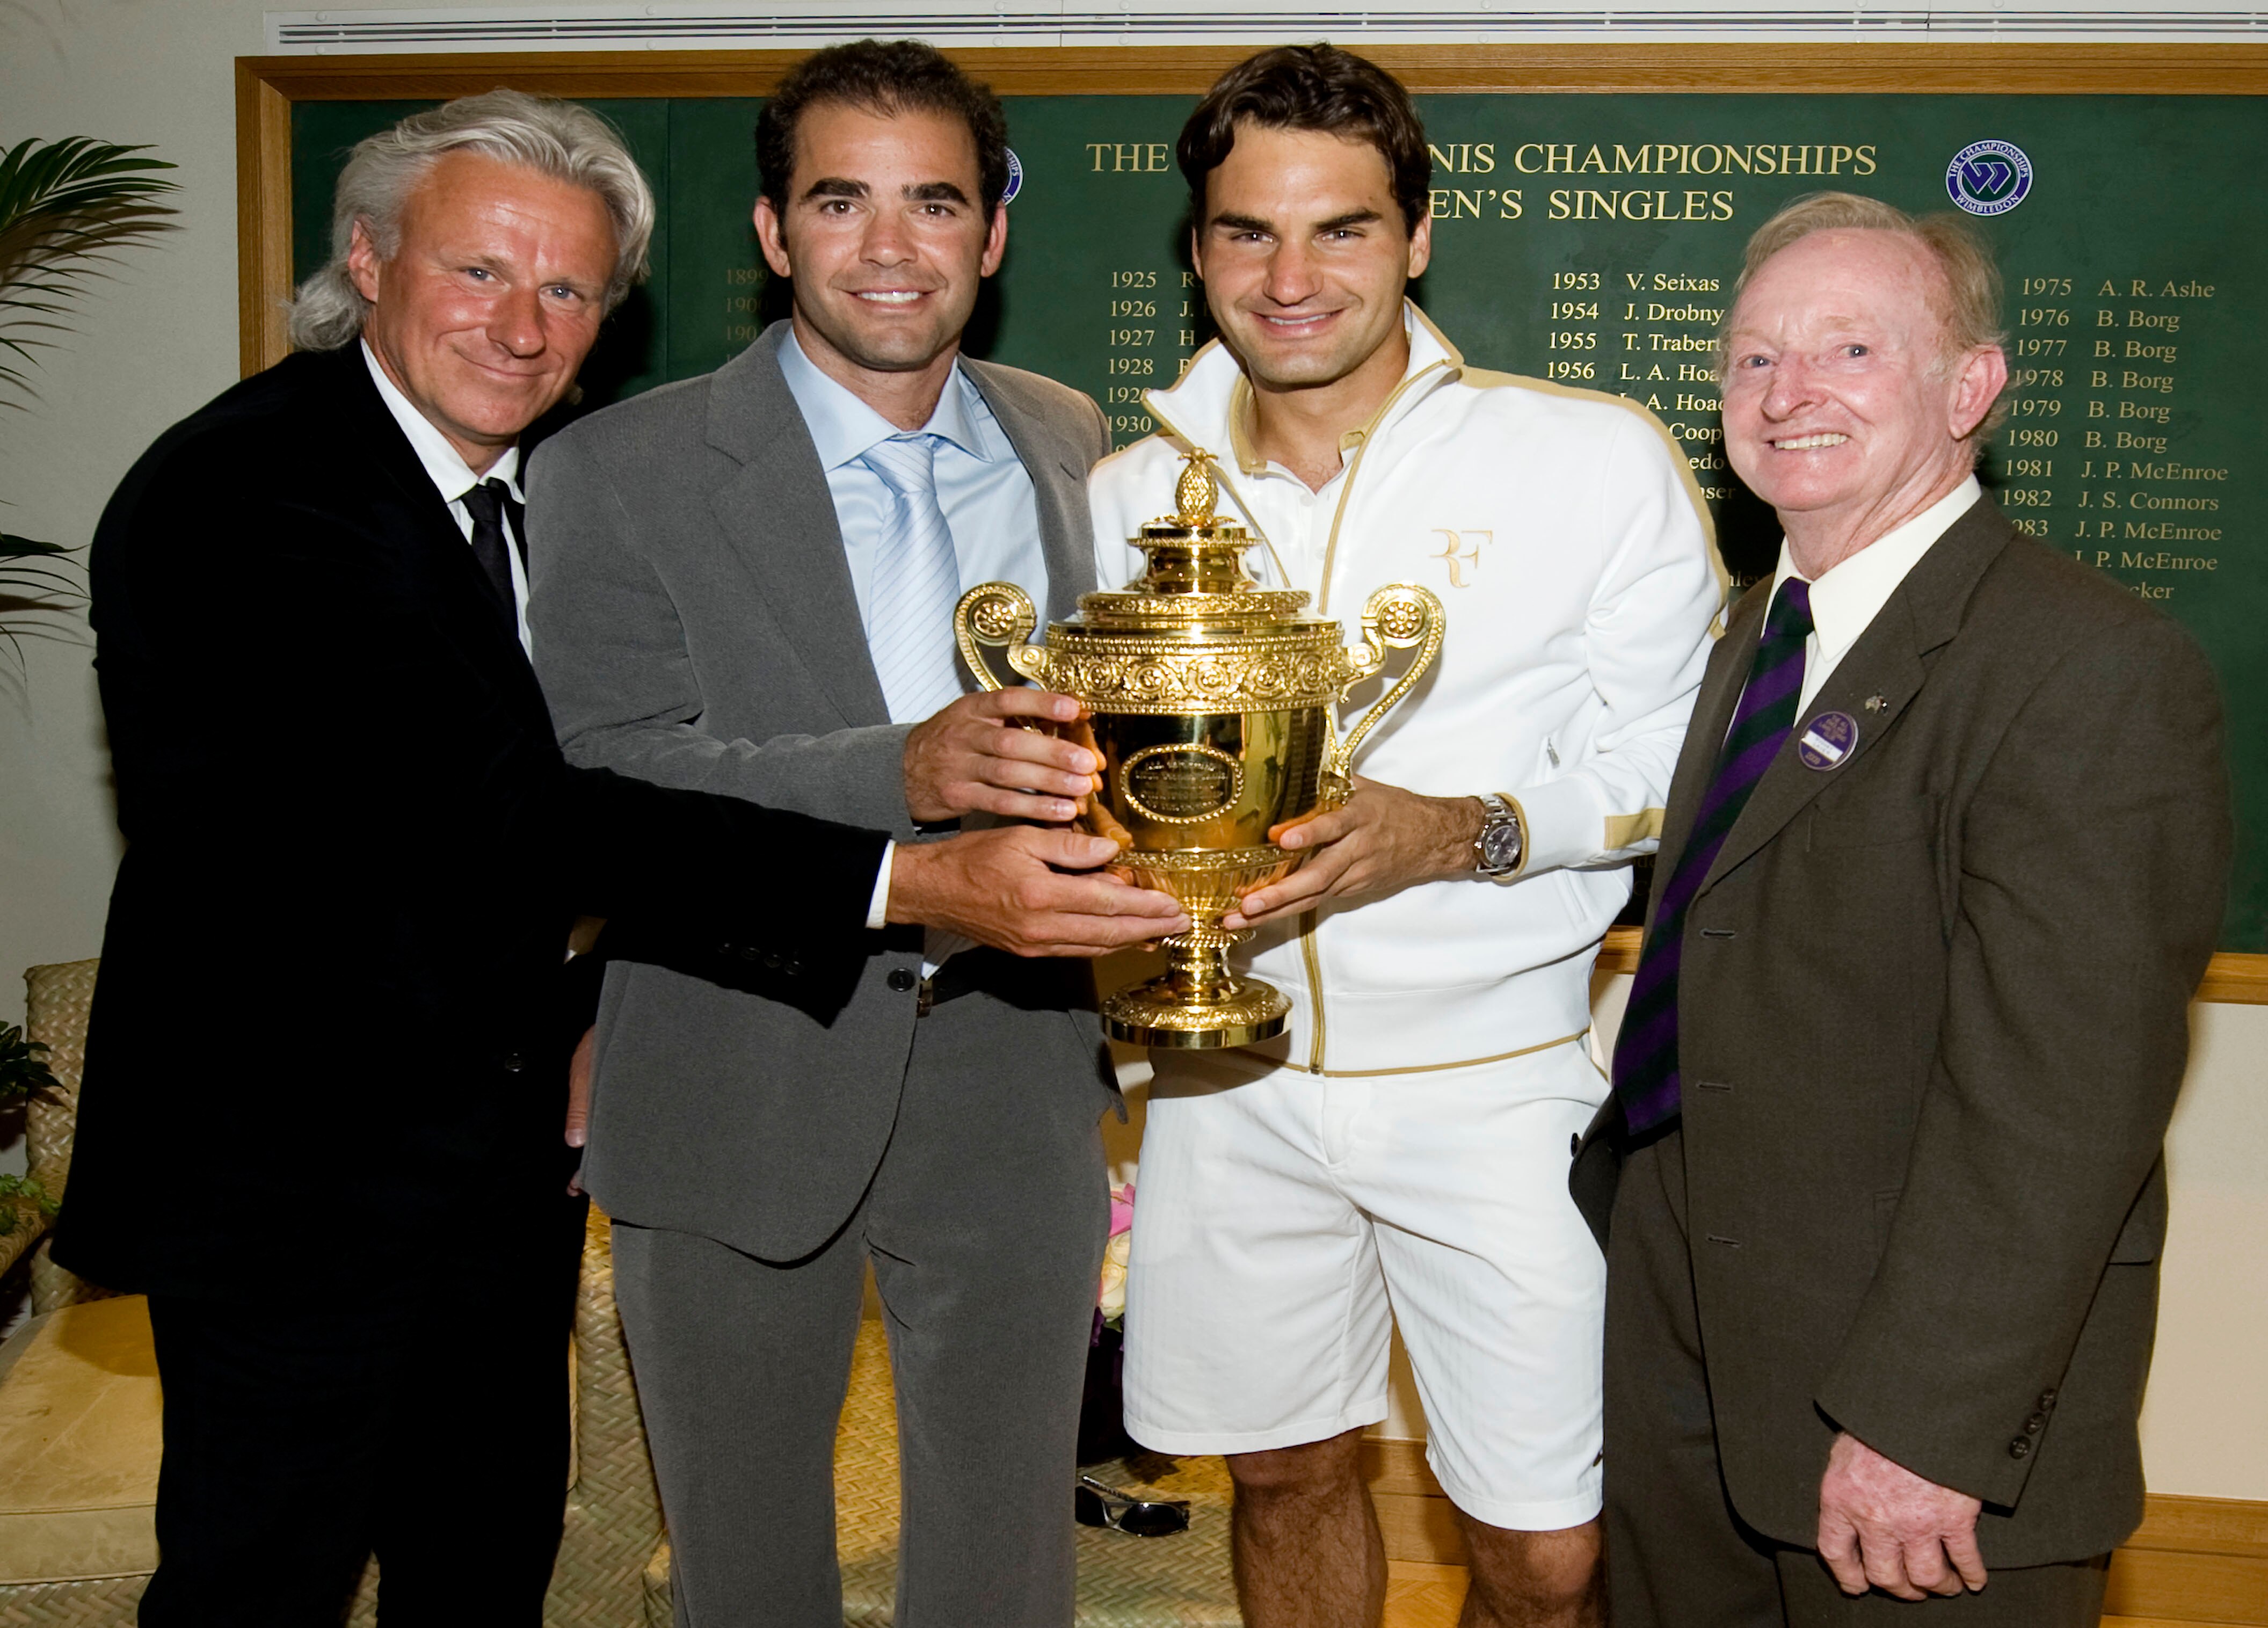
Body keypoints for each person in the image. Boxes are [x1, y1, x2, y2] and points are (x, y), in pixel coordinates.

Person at [56, 90, 1164, 1628]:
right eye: (480, 272)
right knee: (266, 1572)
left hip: (494, 1154)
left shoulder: (502, 485)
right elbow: (521, 811)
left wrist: (586, 1010)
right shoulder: (255, 494)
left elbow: (508, 859)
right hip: (293, 1167)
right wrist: (903, 861)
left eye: (568, 288)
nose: (524, 325)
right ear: (366, 260)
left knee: (483, 1554)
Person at [524, 41, 1183, 1628]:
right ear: (770, 231)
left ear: (995, 235)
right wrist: (910, 769)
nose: (890, 249)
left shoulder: (1075, 439)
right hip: (733, 1049)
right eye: (842, 201)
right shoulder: (612, 467)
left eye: (934, 203)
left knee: (1004, 1560)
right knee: (744, 1569)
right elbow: (611, 782)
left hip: (1015, 1063)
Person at [1084, 46, 1720, 1628]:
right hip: (1227, 1081)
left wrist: (1469, 831)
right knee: (1285, 1475)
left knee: (1546, 1547)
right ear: (1198, 249)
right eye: (1246, 233)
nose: (1289, 279)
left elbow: (1676, 771)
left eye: (1342, 230)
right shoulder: (1125, 494)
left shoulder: (1592, 458)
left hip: (1497, 1087)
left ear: (1417, 237)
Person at [1575, 192, 2232, 1627]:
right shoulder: (1757, 626)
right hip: (1697, 1351)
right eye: (1754, 357)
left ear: (1971, 387)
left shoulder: (2091, 670)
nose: (1787, 393)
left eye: (1850, 350)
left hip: (1910, 1419)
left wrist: (1926, 1426)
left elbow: (2063, 1108)